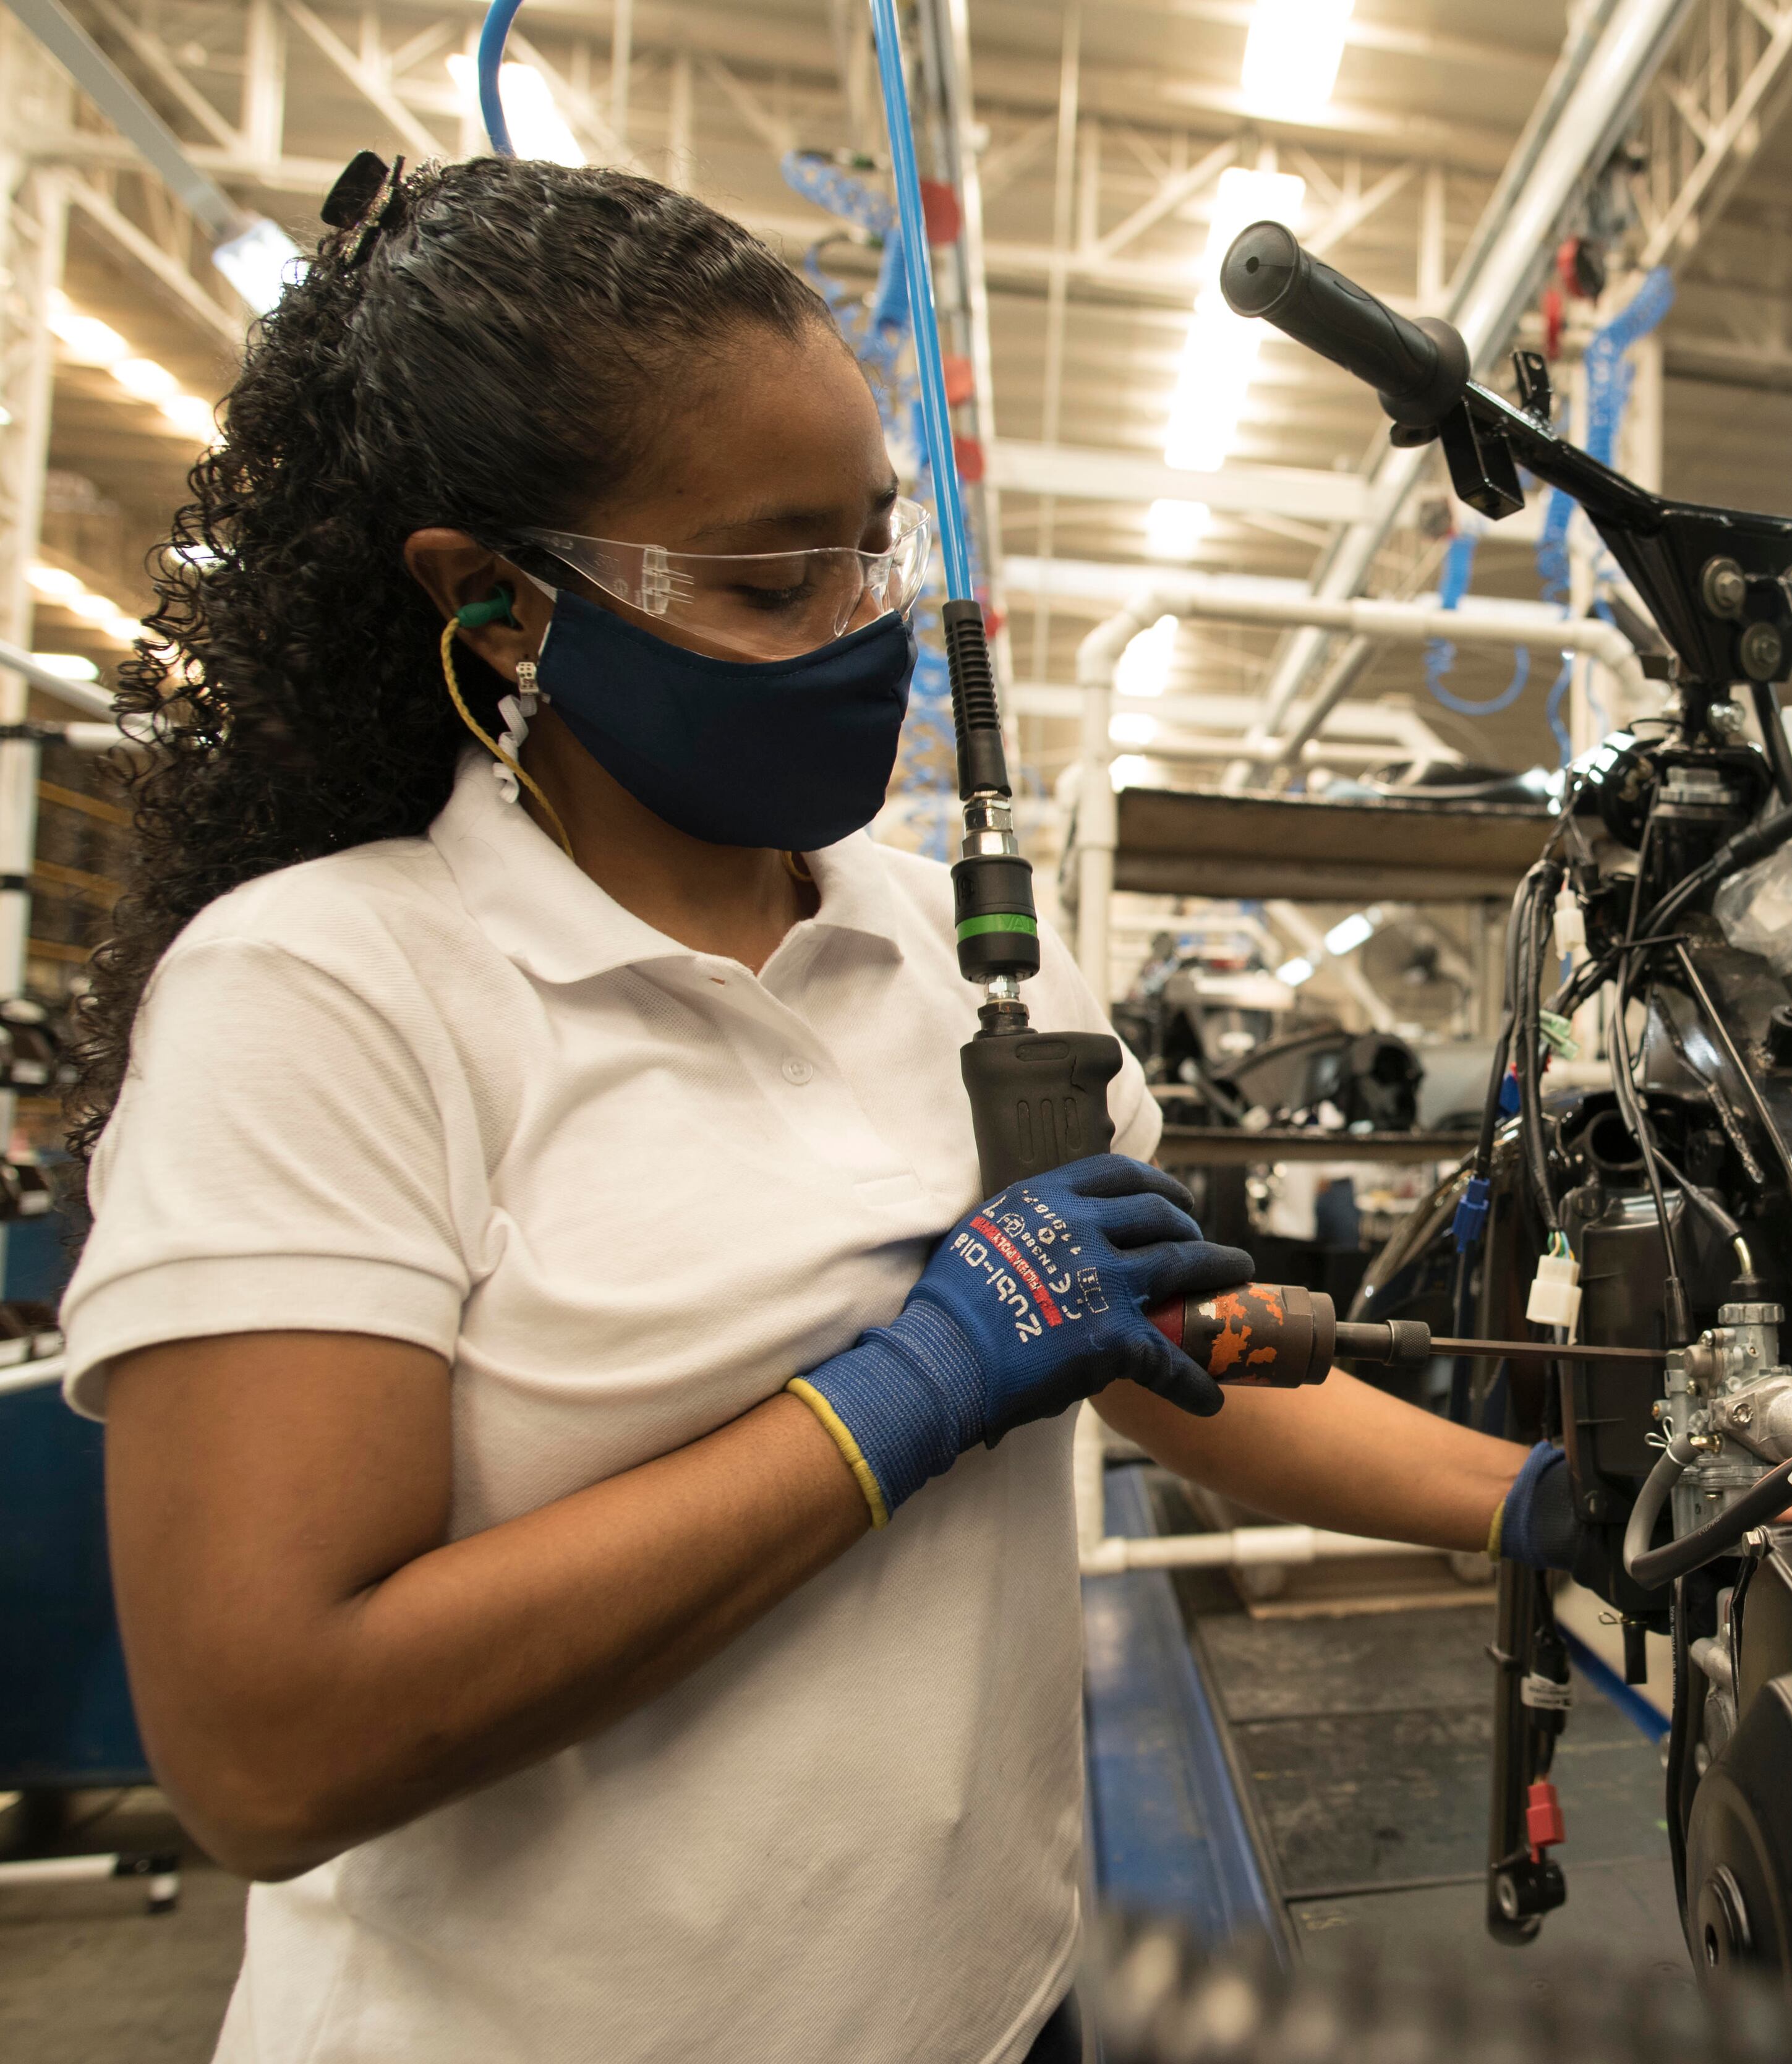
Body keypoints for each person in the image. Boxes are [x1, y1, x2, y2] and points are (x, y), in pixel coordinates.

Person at [61, 156, 1587, 2064]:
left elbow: (1147, 1359)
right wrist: (916, 1380)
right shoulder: (326, 994)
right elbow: (270, 1743)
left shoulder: (960, 962)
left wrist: (1543, 1501)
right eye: (773, 581)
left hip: (995, 2011)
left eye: (872, 550)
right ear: (498, 601)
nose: (862, 624)